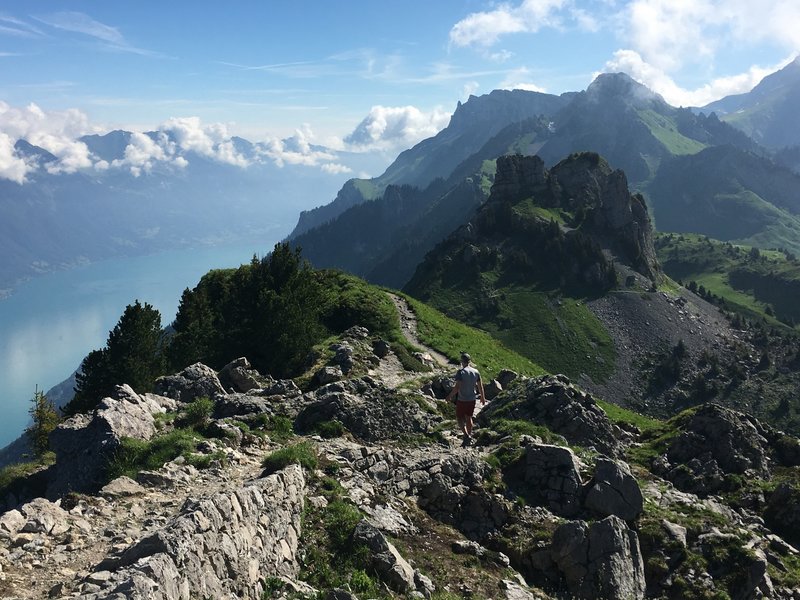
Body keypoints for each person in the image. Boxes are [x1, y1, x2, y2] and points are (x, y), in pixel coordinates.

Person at [446, 352, 486, 445]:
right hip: (472, 399)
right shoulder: (476, 372)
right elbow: (480, 386)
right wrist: (483, 397)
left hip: (462, 399)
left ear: (462, 361)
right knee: (469, 417)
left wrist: (449, 396)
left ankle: (466, 435)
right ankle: (469, 434)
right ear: (469, 361)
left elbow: (457, 387)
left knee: (459, 418)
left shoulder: (461, 372)